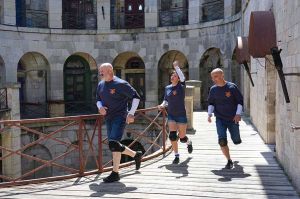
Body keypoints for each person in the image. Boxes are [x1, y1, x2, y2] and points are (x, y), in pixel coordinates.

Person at [96, 63, 142, 183]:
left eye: (102, 71)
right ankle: (135, 155)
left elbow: (136, 97)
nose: (100, 72)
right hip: (108, 117)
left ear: (110, 71)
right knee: (114, 145)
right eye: (100, 70)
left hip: (120, 117)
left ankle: (115, 172)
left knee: (113, 144)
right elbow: (98, 99)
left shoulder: (121, 84)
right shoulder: (100, 84)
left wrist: (131, 113)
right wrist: (100, 107)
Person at [207, 68, 243, 169]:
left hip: (232, 119)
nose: (214, 79)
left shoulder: (232, 87)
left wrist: (238, 114)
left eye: (216, 76)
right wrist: (209, 114)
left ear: (222, 75)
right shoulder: (213, 89)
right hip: (220, 119)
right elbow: (211, 103)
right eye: (212, 77)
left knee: (236, 140)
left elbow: (240, 101)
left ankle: (236, 139)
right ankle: (229, 160)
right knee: (222, 140)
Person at [158, 61, 193, 164]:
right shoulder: (167, 88)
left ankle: (188, 142)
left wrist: (176, 67)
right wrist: (162, 105)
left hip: (181, 115)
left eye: (175, 76)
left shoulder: (181, 86)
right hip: (172, 115)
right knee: (172, 136)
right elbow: (166, 100)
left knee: (182, 138)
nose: (172, 77)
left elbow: (182, 78)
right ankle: (176, 156)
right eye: (172, 75)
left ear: (178, 78)